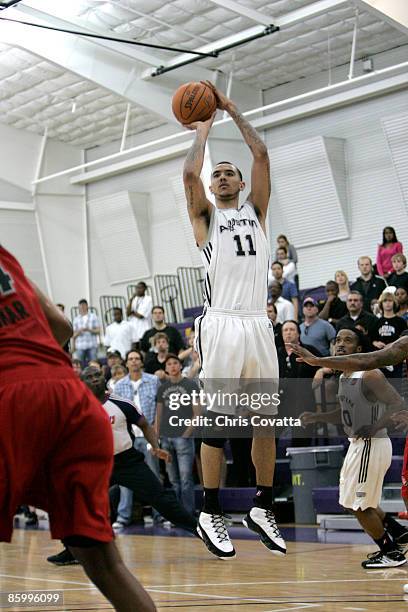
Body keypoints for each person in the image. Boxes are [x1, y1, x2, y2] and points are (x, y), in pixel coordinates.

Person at [0, 245, 155, 612]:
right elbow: (62, 326)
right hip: (72, 398)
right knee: (104, 564)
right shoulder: (6, 257)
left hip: (12, 397)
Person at [182, 80, 285, 559]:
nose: (222, 177)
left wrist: (231, 109)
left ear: (242, 184)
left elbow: (261, 152)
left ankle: (262, 506)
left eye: (229, 174)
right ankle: (210, 510)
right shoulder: (207, 217)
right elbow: (189, 176)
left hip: (258, 324)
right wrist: (203, 129)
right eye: (217, 174)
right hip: (221, 322)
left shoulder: (257, 213)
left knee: (267, 418)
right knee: (219, 420)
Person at [47, 366, 206, 566]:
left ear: (104, 378)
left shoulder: (120, 403)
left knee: (162, 499)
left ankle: (202, 531)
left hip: (127, 461)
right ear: (82, 382)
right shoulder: (75, 408)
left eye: (97, 375)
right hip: (96, 466)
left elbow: (144, 425)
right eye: (89, 377)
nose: (95, 379)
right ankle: (73, 550)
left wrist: (156, 448)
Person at [298, 328, 408, 568]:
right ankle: (398, 532)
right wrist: (319, 418)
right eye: (337, 340)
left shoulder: (369, 374)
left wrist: (374, 426)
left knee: (359, 506)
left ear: (359, 350)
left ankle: (391, 552)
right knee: (350, 502)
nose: (340, 344)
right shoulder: (343, 377)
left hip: (372, 442)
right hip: (357, 444)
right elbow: (343, 413)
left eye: (347, 340)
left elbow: (397, 403)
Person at [113, 350, 161, 528]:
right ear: (126, 363)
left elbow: (160, 408)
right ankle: (123, 516)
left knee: (154, 476)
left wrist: (156, 432)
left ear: (141, 362)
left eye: (137, 359)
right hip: (129, 439)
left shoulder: (154, 381)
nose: (133, 362)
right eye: (130, 359)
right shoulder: (120, 385)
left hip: (148, 435)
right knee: (126, 479)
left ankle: (159, 515)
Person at [156, 355, 200, 515]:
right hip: (166, 438)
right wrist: (157, 437)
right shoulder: (162, 388)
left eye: (175, 363)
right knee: (173, 480)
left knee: (186, 479)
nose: (173, 366)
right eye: (169, 364)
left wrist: (186, 433)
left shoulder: (190, 386)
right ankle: (176, 514)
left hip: (184, 438)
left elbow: (198, 413)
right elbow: (158, 415)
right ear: (166, 368)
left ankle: (188, 512)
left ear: (180, 366)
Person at [373, 292, 406, 379]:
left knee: (396, 384)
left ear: (394, 303)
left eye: (390, 301)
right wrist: (375, 343)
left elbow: (404, 338)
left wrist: (393, 344)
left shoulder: (400, 321)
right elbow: (371, 338)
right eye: (385, 301)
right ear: (381, 304)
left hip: (396, 358)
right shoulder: (376, 322)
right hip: (380, 358)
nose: (387, 303)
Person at [72, 299, 100, 367]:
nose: (82, 308)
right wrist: (79, 331)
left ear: (87, 306)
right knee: (79, 365)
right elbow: (73, 335)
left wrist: (89, 330)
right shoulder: (76, 319)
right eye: (80, 306)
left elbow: (98, 331)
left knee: (94, 365)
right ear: (78, 307)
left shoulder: (94, 316)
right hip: (80, 346)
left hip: (92, 345)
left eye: (83, 306)